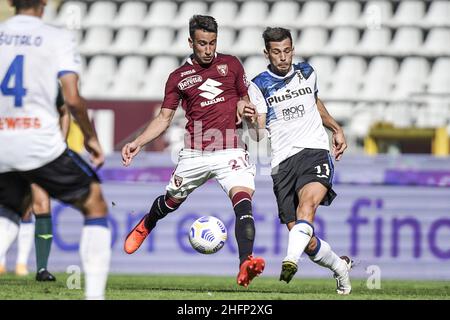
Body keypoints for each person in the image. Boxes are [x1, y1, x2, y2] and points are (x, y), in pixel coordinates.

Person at [122, 15, 265, 288]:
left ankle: (246, 262)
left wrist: (245, 112)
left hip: (230, 150)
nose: (208, 49)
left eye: (212, 43)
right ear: (191, 42)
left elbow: (245, 102)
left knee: (244, 200)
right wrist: (138, 142)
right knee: (171, 201)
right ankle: (147, 223)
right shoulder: (178, 78)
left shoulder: (232, 65)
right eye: (202, 44)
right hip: (195, 154)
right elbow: (164, 119)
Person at [0, 0, 111, 299]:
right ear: (45, 3)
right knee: (96, 203)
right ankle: (95, 297)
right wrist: (90, 137)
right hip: (38, 142)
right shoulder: (57, 37)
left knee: (11, 206)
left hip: (2, 141)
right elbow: (72, 100)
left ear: (10, 3)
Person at [245, 27, 352, 294]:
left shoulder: (307, 72)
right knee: (304, 237)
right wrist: (250, 123)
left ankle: (290, 261)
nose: (283, 57)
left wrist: (335, 127)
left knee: (308, 206)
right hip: (282, 163)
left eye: (287, 50)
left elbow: (314, 102)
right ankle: (339, 266)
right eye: (277, 52)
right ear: (267, 53)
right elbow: (258, 135)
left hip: (314, 150)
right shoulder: (258, 85)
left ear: (293, 48)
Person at [0, 87, 69, 281]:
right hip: (9, 148)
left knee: (40, 203)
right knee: (15, 204)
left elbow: (64, 112)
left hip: (38, 151)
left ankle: (41, 269)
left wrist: (59, 147)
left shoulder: (48, 81)